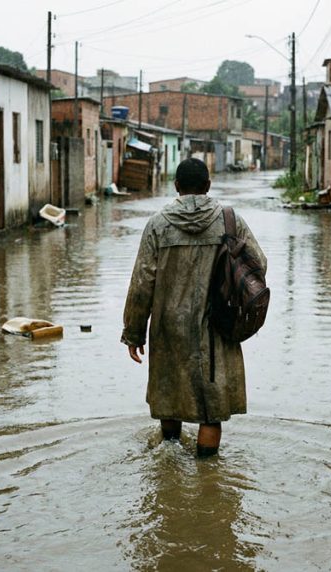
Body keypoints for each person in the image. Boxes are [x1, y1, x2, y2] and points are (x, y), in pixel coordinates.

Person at [122, 158, 267, 458]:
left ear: (176, 187)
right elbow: (258, 265)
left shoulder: (157, 225)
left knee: (168, 393)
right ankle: (208, 475)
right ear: (208, 186)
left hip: (168, 329)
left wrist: (133, 333)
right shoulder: (229, 220)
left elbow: (142, 283)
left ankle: (170, 458)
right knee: (211, 410)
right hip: (216, 328)